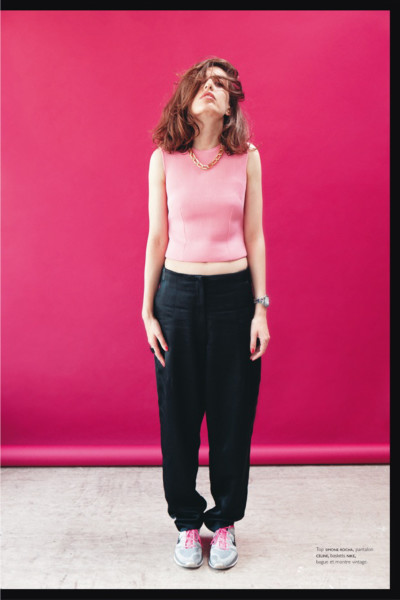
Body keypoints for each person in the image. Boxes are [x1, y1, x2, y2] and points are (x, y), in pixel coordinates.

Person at [142, 57, 270, 570]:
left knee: (232, 413)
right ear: (188, 97)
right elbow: (156, 237)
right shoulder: (163, 159)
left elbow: (255, 235)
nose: (212, 88)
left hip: (233, 298)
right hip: (175, 297)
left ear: (231, 104)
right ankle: (187, 523)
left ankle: (225, 522)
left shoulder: (247, 157)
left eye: (221, 84)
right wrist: (147, 311)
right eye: (203, 82)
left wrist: (261, 309)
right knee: (177, 415)